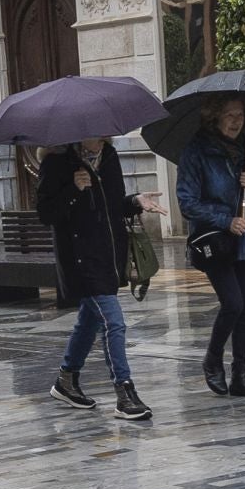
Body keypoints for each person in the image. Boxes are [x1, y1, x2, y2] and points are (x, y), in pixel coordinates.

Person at [37, 137, 170, 420]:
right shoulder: (57, 162)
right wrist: (73, 188)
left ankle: (66, 379)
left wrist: (135, 202)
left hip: (109, 257)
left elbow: (111, 208)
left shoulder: (109, 157)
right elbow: (46, 213)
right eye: (93, 132)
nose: (99, 138)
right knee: (113, 322)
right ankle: (124, 392)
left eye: (103, 132)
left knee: (90, 320)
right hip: (80, 259)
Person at [178, 96, 245, 398]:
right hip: (215, 242)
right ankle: (212, 359)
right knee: (232, 303)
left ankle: (240, 377)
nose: (236, 121)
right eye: (229, 115)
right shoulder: (196, 152)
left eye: (240, 115)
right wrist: (226, 220)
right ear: (215, 117)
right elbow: (187, 203)